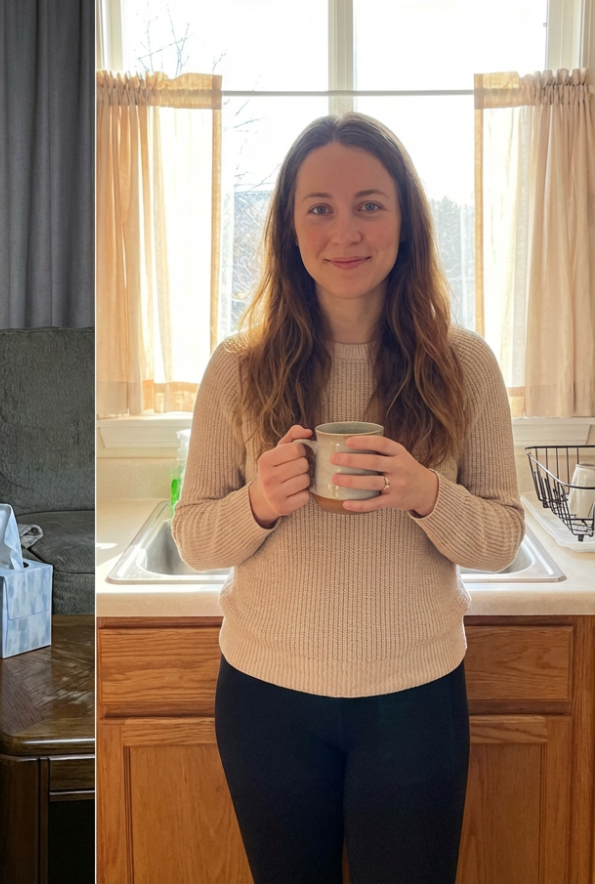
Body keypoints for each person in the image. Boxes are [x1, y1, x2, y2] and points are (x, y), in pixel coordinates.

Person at [172, 114, 524, 884]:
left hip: (416, 698)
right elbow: (195, 537)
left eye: (370, 203)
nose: (345, 231)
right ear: (290, 228)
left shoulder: (466, 365)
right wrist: (258, 504)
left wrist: (428, 493)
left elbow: (503, 537)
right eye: (319, 208)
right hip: (267, 700)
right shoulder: (238, 367)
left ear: (406, 220)